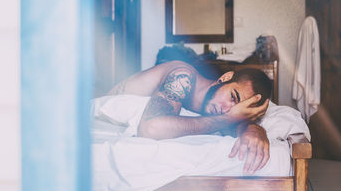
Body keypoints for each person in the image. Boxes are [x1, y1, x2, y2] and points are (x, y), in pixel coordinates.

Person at [108, 60, 272, 174]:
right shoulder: (183, 75)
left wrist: (254, 129)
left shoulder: (222, 109)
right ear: (225, 78)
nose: (227, 110)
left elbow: (235, 121)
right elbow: (151, 129)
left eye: (236, 109)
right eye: (233, 97)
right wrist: (225, 120)